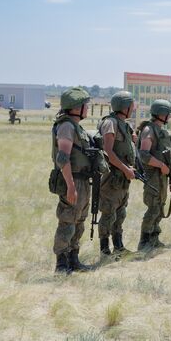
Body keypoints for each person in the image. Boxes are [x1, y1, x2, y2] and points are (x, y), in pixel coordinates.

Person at [51, 87, 101, 273]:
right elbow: (62, 158)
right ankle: (62, 264)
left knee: (79, 222)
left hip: (82, 180)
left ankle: (73, 259)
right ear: (76, 107)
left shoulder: (75, 126)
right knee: (67, 222)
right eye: (85, 105)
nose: (87, 108)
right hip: (71, 180)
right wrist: (71, 186)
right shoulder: (66, 126)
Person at [97, 91, 136, 257]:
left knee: (121, 213)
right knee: (108, 213)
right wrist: (126, 169)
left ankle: (118, 246)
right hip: (111, 178)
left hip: (122, 179)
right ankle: (105, 250)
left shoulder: (125, 125)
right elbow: (108, 152)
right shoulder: (111, 123)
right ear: (125, 107)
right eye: (131, 106)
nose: (133, 109)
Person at [136, 99, 171, 251]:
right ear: (161, 114)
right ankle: (144, 242)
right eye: (168, 114)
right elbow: (144, 155)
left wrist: (170, 176)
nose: (169, 118)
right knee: (153, 208)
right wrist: (161, 165)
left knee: (159, 207)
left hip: (162, 177)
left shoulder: (161, 131)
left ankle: (154, 238)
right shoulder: (149, 130)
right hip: (153, 176)